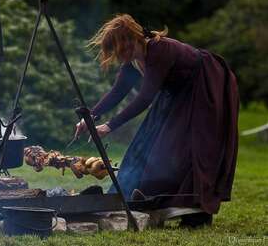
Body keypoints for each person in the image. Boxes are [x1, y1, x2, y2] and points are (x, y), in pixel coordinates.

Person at [75, 14, 239, 227]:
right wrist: (91, 118)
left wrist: (109, 125)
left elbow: (146, 97)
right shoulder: (132, 60)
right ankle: (140, 201)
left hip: (204, 85)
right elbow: (118, 92)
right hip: (177, 93)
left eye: (122, 49)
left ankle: (197, 215)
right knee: (147, 145)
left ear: (133, 39)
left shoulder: (159, 50)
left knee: (191, 149)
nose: (121, 56)